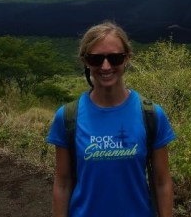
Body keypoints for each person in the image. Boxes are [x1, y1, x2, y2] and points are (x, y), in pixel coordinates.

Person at [47, 21, 176, 217]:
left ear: (127, 59)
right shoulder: (67, 117)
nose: (106, 66)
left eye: (115, 58)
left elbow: (162, 181)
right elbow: (62, 183)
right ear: (85, 61)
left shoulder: (151, 115)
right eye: (96, 59)